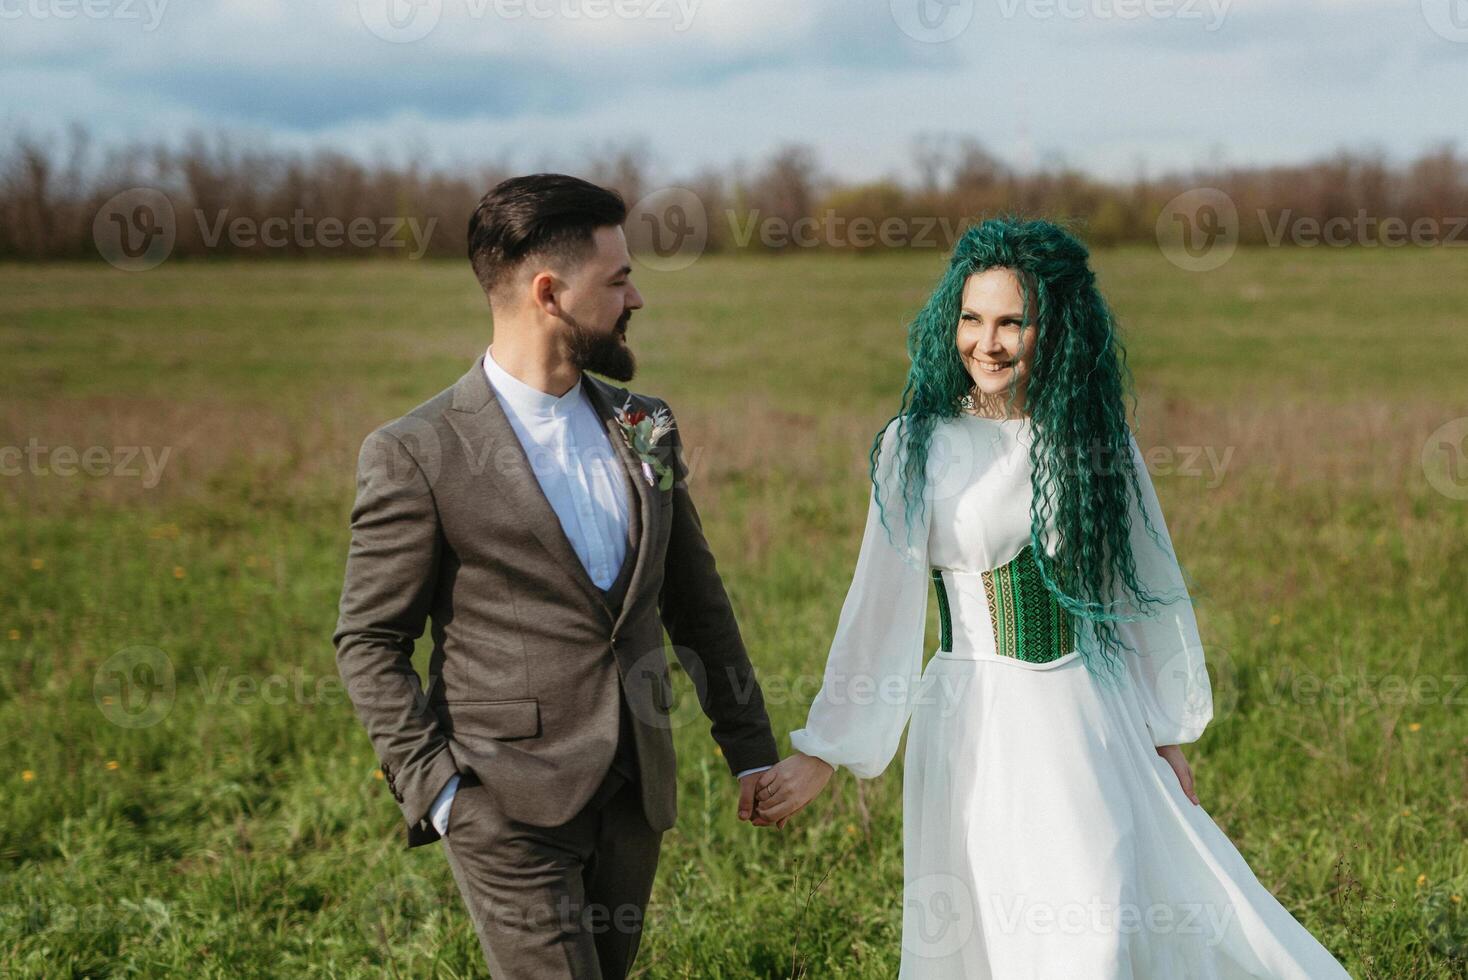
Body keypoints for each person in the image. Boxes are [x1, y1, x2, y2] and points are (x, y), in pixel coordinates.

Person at [753, 218, 1354, 978]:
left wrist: (1165, 734)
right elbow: (880, 608)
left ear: (1054, 328)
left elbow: (1144, 590)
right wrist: (826, 753)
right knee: (997, 937)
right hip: (970, 721)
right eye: (972, 318)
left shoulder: (1089, 439)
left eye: (1013, 322)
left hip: (1083, 716)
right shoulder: (917, 444)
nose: (988, 343)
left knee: (1096, 928)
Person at [334, 174, 781, 978]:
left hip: (635, 794)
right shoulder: (415, 452)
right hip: (505, 806)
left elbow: (695, 600)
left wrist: (749, 750)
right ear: (550, 292)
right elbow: (369, 640)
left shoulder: (646, 424)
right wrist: (440, 794)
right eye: (617, 280)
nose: (636, 297)